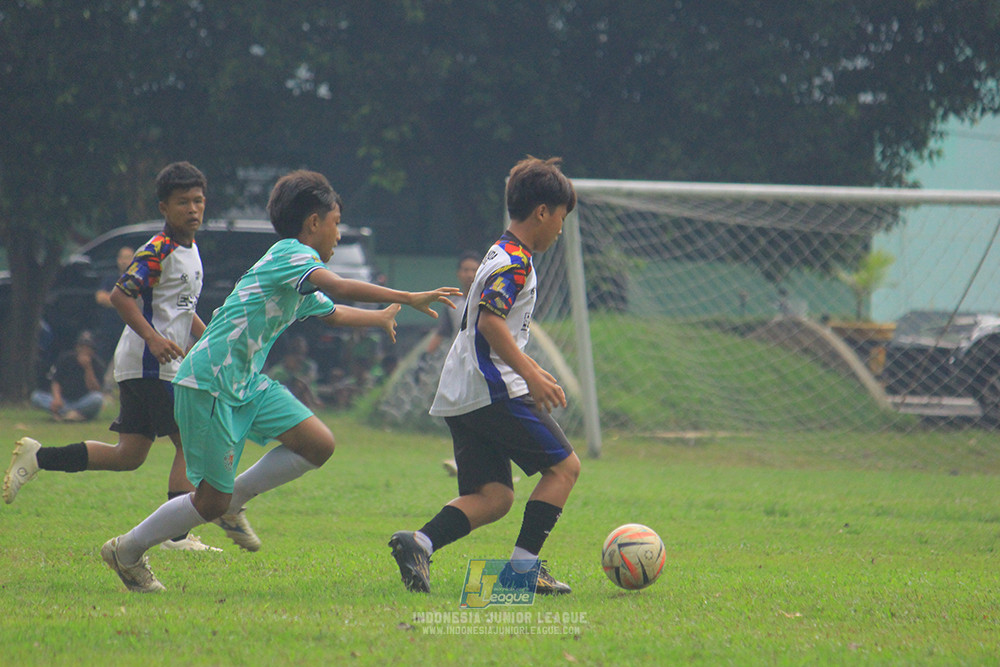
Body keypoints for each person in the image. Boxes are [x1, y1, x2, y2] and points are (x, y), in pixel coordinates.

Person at [98, 169, 461, 592]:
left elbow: (333, 310)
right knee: (209, 501)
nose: (338, 235)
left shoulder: (293, 271)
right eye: (336, 223)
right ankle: (126, 551)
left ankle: (235, 500)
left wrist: (380, 318)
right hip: (210, 381)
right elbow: (340, 287)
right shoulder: (291, 255)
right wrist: (403, 297)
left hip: (245, 381)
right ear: (313, 223)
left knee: (317, 443)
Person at [4, 162, 223, 552]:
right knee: (188, 441)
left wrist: (210, 343)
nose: (193, 209)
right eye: (183, 202)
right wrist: (154, 339)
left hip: (152, 364)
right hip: (149, 363)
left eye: (198, 201)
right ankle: (177, 536)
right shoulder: (159, 249)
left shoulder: (192, 251)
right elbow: (122, 295)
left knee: (129, 456)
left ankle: (38, 458)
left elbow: (182, 310)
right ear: (164, 207)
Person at [389, 156, 581, 595]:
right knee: (564, 469)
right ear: (542, 212)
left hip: (463, 392)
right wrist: (530, 373)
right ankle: (521, 574)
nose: (560, 229)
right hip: (493, 389)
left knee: (495, 496)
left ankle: (419, 543)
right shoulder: (516, 260)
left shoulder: (500, 250)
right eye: (561, 218)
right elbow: (491, 323)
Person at [29, 330, 107, 423]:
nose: (84, 350)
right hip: (64, 401)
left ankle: (67, 414)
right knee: (36, 396)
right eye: (81, 346)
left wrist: (88, 368)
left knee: (97, 399)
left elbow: (95, 389)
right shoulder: (66, 359)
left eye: (88, 347)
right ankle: (72, 414)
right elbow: (56, 381)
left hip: (83, 401)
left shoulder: (97, 364)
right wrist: (57, 398)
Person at [95, 246, 136, 363]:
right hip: (108, 330)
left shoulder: (137, 280)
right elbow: (100, 297)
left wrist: (113, 300)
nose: (124, 261)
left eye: (128, 258)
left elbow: (137, 301)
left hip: (128, 330)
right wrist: (124, 302)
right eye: (121, 258)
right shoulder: (110, 278)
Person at [265, 335, 322, 410]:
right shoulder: (278, 370)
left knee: (300, 384)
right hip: (285, 395)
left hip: (308, 393)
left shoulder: (310, 365)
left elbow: (310, 378)